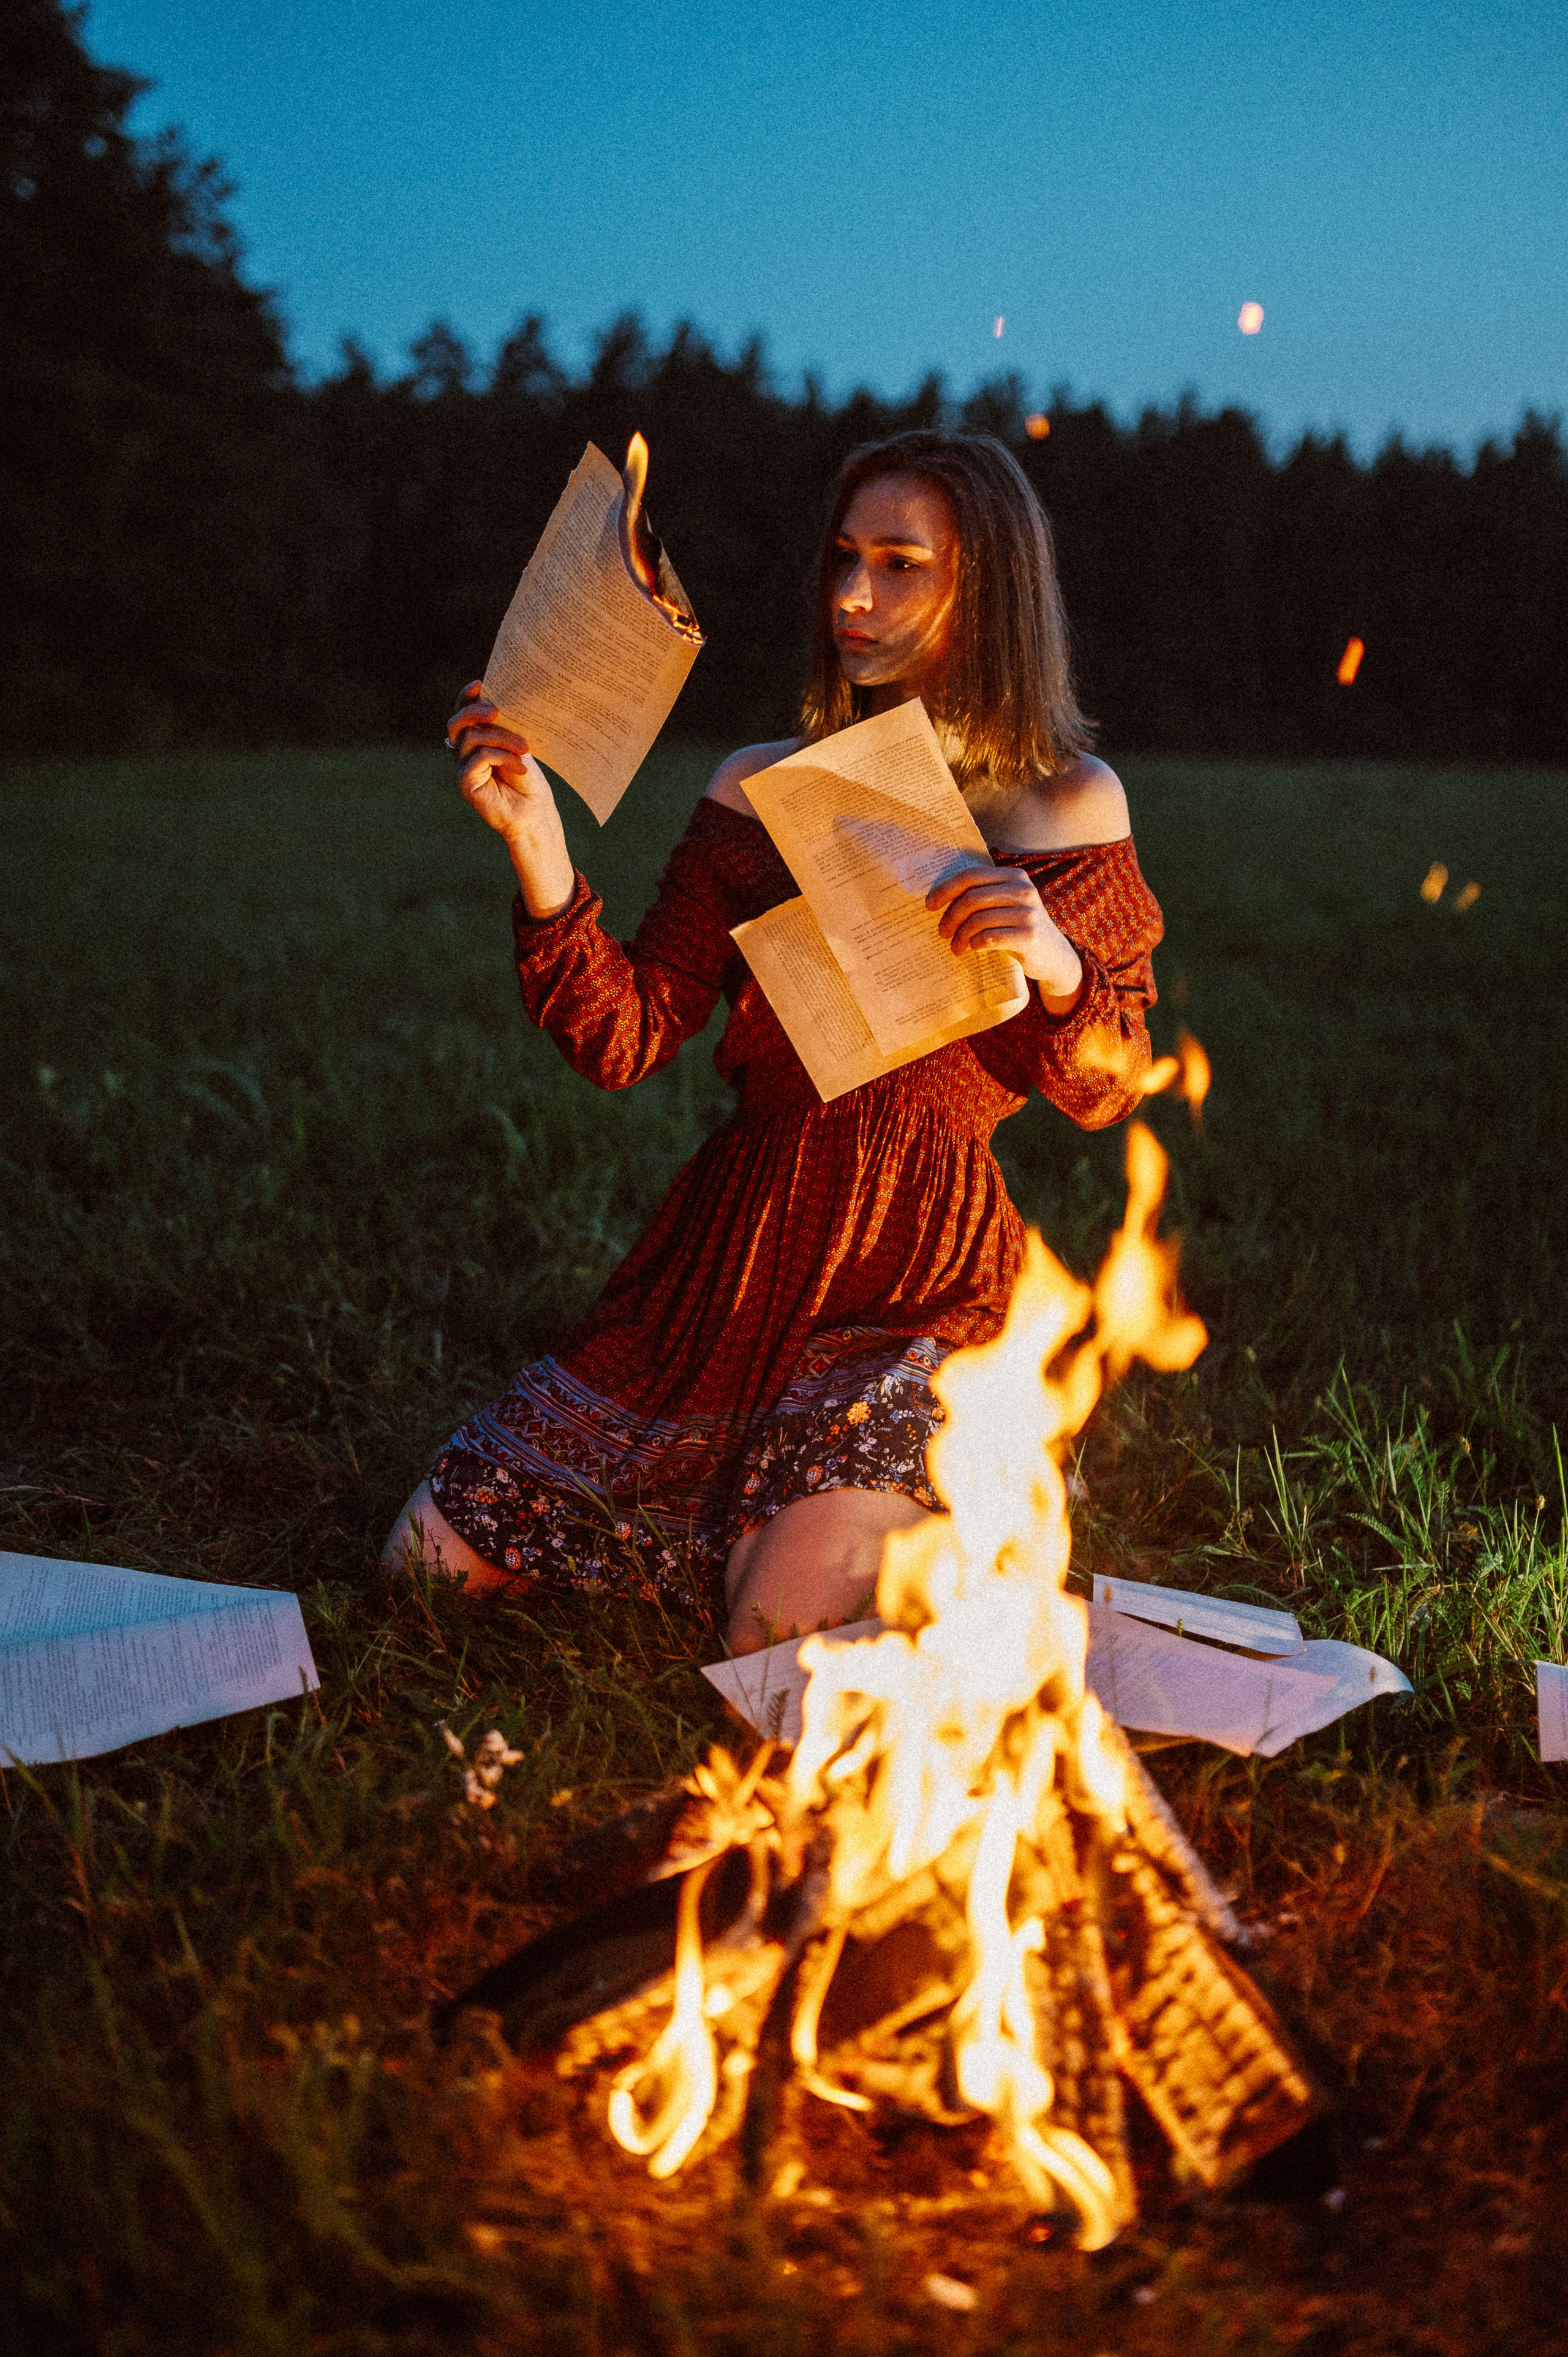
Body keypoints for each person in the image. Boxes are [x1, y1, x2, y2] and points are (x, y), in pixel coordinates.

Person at [383, 430, 1163, 1654]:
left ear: (991, 585)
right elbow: (626, 1033)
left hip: (916, 1271)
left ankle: (906, 1532)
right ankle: (762, 1525)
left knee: (782, 1626)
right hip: (733, 1251)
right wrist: (538, 850)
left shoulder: (1061, 805)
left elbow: (1104, 1083)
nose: (853, 594)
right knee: (429, 1565)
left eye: (900, 563)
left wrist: (1054, 963)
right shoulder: (759, 785)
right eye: (844, 557)